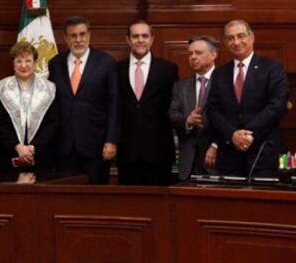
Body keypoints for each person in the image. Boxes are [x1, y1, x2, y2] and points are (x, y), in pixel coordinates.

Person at [206, 20, 290, 178]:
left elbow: (277, 105)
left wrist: (248, 134)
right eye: (230, 38)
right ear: (225, 43)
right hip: (229, 156)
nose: (236, 42)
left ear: (252, 38)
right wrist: (232, 135)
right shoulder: (219, 73)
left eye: (241, 36)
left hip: (263, 153)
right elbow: (213, 109)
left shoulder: (272, 68)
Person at [47, 16, 119, 184]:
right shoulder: (55, 64)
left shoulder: (106, 62)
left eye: (82, 34)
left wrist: (111, 140)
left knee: (95, 199)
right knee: (64, 199)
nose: (78, 40)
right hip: (63, 146)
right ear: (65, 38)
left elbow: (114, 104)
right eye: (73, 36)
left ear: (89, 35)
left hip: (96, 145)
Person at [115, 20, 179, 185]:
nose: (140, 40)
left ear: (152, 39)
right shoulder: (116, 69)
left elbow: (175, 107)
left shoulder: (168, 69)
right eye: (135, 36)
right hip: (127, 151)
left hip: (159, 151)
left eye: (145, 36)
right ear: (128, 40)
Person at [0, 41, 59, 180]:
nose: (23, 65)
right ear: (13, 63)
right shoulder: (1, 87)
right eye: (19, 61)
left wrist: (33, 148)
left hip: (42, 155)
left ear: (35, 63)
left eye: (28, 60)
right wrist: (17, 147)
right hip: (10, 155)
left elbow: (54, 122)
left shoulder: (49, 89)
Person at [170, 35, 220, 180]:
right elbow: (172, 114)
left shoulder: (224, 81)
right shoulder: (181, 86)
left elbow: (233, 117)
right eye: (190, 53)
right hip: (189, 162)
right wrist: (187, 120)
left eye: (198, 53)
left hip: (216, 158)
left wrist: (216, 145)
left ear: (213, 55)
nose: (193, 57)